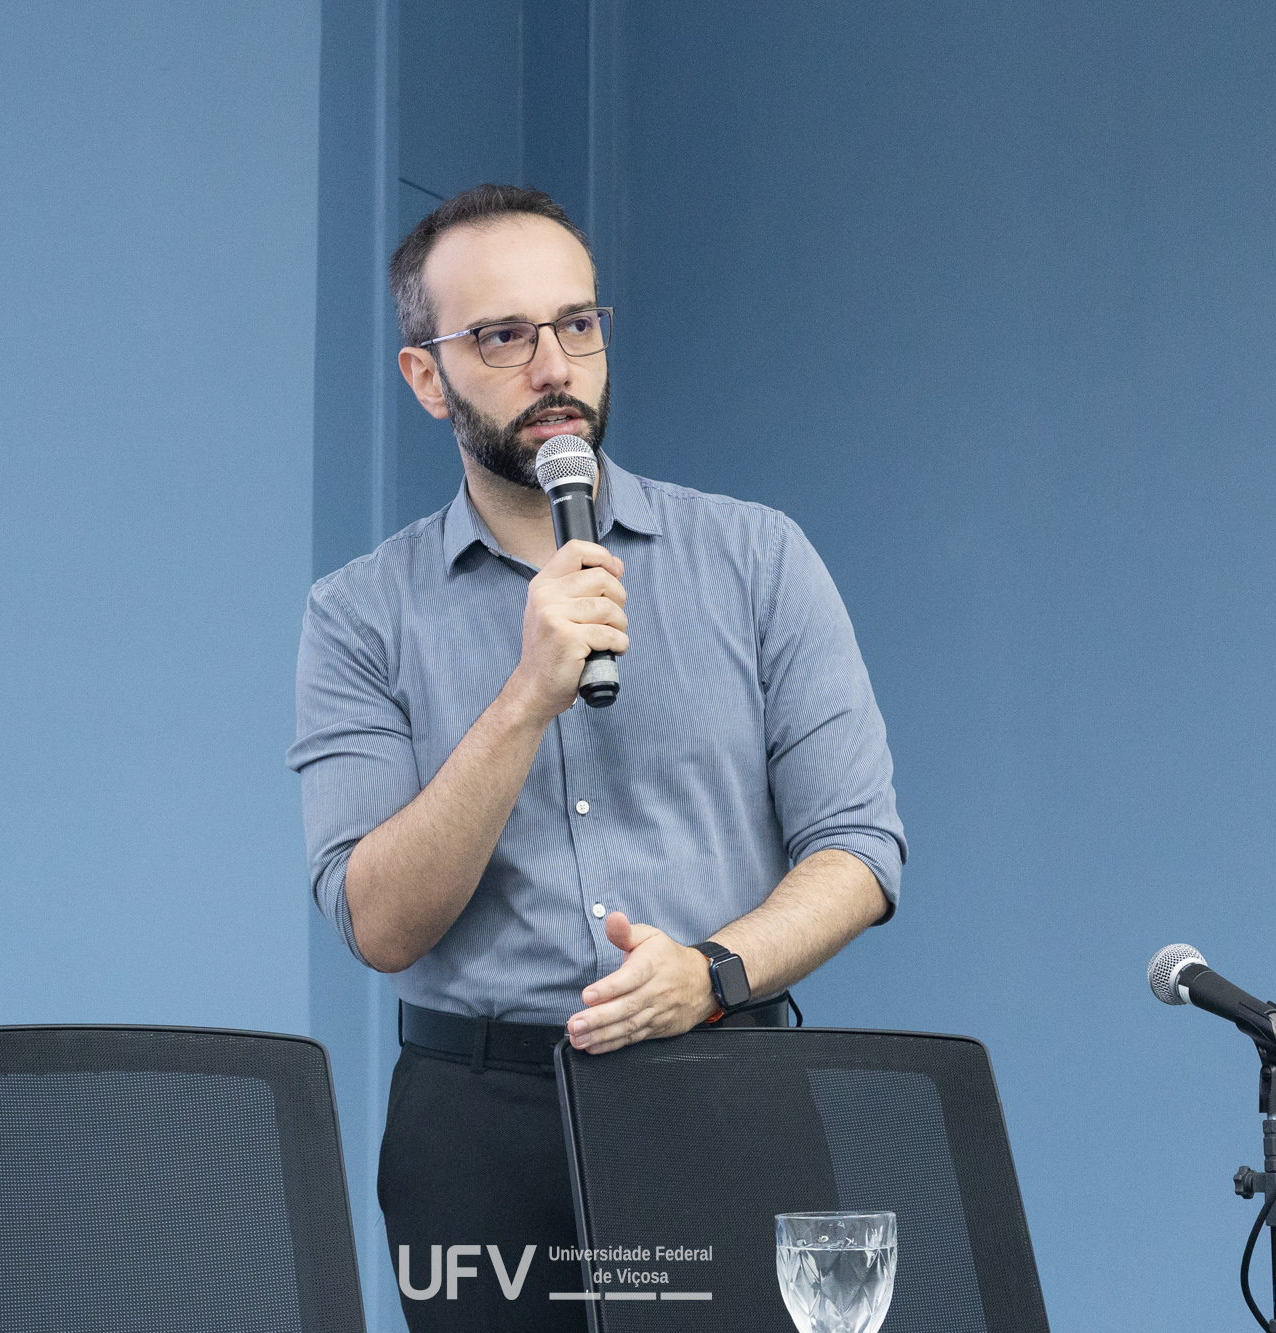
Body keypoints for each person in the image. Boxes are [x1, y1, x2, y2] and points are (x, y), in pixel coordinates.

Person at [287, 183, 904, 1331]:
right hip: (480, 1125)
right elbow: (379, 923)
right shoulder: (358, 615)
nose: (553, 366)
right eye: (502, 336)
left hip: (725, 1084)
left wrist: (709, 974)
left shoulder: (756, 558)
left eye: (576, 324)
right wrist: (525, 695)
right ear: (425, 376)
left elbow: (859, 851)